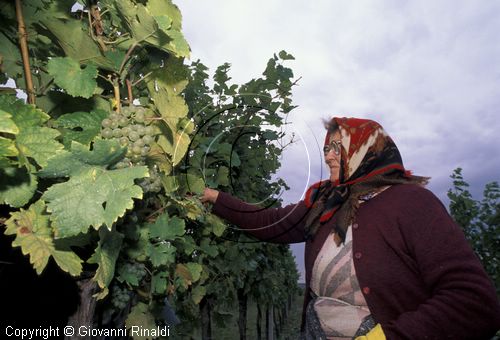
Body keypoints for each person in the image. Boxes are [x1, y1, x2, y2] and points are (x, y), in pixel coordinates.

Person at [200, 117, 500, 339]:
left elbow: (475, 302)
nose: (328, 155)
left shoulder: (412, 203)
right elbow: (271, 223)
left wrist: (388, 337)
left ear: (364, 149)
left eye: (335, 147)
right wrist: (214, 198)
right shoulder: (324, 204)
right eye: (326, 148)